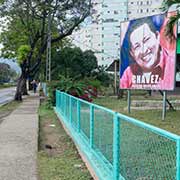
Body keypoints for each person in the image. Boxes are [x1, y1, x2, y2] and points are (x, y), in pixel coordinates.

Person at [120, 13, 176, 90]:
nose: (144, 50)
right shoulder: (128, 74)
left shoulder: (171, 64)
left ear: (157, 36)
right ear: (132, 53)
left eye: (146, 40)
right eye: (137, 46)